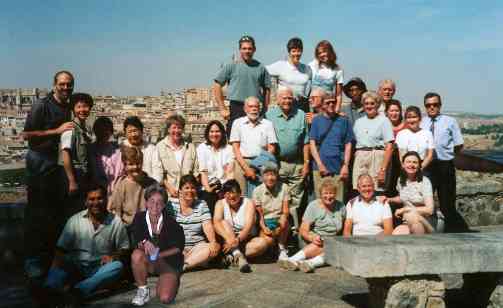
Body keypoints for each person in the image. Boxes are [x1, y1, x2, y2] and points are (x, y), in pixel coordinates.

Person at [21, 70, 74, 284]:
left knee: (55, 214)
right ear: (54, 85)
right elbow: (27, 135)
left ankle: (50, 262)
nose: (65, 88)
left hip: (57, 166)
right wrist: (56, 131)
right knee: (37, 214)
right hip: (40, 164)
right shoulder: (41, 106)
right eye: (62, 84)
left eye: (69, 84)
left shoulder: (69, 107)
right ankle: (33, 263)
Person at [44, 184, 129, 306]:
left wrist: (113, 256)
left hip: (99, 268)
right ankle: (49, 290)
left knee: (117, 266)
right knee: (61, 263)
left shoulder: (115, 221)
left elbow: (124, 248)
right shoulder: (75, 220)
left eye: (99, 198)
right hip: (77, 266)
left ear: (106, 199)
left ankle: (77, 291)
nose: (96, 203)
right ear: (85, 201)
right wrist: (54, 272)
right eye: (91, 199)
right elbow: (61, 249)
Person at [130, 184, 185, 306]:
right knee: (136, 255)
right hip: (148, 262)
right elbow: (135, 236)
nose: (155, 206)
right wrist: (144, 242)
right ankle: (143, 290)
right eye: (151, 201)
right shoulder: (139, 218)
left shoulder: (171, 223)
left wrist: (158, 255)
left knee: (165, 298)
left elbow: (178, 248)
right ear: (146, 203)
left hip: (167, 263)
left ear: (164, 205)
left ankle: (164, 280)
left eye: (159, 202)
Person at [420, 92, 467, 232]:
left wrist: (448, 155)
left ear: (440, 105)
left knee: (447, 203)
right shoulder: (422, 122)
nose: (432, 107)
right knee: (425, 201)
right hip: (427, 166)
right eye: (428, 105)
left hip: (444, 165)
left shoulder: (450, 121)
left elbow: (459, 144)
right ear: (425, 106)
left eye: (435, 104)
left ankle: (455, 233)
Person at [279, 178, 345, 273]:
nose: (328, 196)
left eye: (331, 193)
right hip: (313, 241)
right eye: (325, 193)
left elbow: (342, 228)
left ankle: (308, 263)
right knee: (327, 246)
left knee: (334, 248)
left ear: (336, 194)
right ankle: (294, 259)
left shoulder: (341, 206)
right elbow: (303, 230)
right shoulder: (313, 206)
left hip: (331, 241)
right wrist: (312, 237)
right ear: (320, 194)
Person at [266, 87, 309, 230]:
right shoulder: (269, 115)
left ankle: (294, 230)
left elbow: (306, 141)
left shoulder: (301, 115)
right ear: (277, 100)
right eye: (284, 98)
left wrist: (306, 162)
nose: (287, 101)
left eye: (290, 98)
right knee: (278, 198)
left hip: (297, 164)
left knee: (295, 200)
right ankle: (279, 230)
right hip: (278, 164)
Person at [213, 35, 272, 135]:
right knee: (234, 140)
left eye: (249, 48)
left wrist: (265, 107)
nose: (247, 51)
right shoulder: (231, 66)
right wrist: (222, 108)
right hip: (236, 108)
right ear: (240, 49)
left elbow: (267, 88)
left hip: (254, 109)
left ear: (254, 50)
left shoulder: (261, 68)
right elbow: (217, 85)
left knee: (258, 137)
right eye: (244, 48)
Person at [167, 175, 220, 271]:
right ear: (180, 190)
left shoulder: (201, 204)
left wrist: (213, 242)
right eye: (186, 188)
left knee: (210, 248)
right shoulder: (171, 204)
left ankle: (183, 266)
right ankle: (193, 262)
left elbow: (207, 225)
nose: (190, 191)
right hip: (177, 247)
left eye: (193, 188)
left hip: (196, 247)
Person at [213, 180, 268, 273]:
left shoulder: (249, 203)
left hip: (244, 239)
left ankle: (231, 256)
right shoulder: (220, 203)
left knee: (262, 243)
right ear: (224, 195)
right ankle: (238, 255)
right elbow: (216, 222)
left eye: (233, 192)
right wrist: (230, 240)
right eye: (227, 193)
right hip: (227, 239)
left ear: (240, 193)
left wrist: (237, 240)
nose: (231, 196)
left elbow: (248, 226)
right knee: (224, 223)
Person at [309, 94, 354, 201]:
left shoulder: (344, 121)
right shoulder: (316, 121)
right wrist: (320, 164)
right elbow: (312, 143)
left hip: (339, 167)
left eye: (333, 102)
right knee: (321, 202)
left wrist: (346, 165)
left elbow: (348, 144)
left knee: (338, 201)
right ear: (322, 105)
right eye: (328, 102)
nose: (331, 104)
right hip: (320, 168)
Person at [230, 96, 277, 194]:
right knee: (241, 194)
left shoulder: (268, 124)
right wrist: (247, 168)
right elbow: (235, 148)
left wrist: (255, 166)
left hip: (262, 162)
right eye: (251, 106)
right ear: (245, 109)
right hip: (242, 162)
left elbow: (272, 148)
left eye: (256, 106)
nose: (254, 109)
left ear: (260, 108)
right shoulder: (237, 123)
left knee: (261, 195)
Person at [387, 152, 442, 235]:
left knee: (415, 225)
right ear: (403, 165)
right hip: (408, 220)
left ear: (419, 165)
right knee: (396, 233)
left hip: (426, 220)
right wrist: (389, 199)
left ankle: (425, 242)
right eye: (408, 162)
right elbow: (402, 198)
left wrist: (405, 209)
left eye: (415, 162)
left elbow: (429, 210)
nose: (411, 165)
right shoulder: (401, 180)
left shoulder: (425, 182)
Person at [352, 91, 394, 194]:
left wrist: (383, 169)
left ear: (377, 104)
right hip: (361, 159)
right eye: (366, 104)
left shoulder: (384, 121)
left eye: (372, 103)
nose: (369, 106)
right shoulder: (358, 122)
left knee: (376, 191)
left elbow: (389, 146)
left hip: (377, 158)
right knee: (360, 190)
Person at [60, 93, 95, 216]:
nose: (82, 110)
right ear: (73, 109)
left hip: (82, 176)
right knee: (73, 213)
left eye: (85, 106)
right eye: (79, 107)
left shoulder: (84, 129)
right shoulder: (70, 129)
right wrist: (72, 181)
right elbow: (65, 154)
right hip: (74, 176)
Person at [108, 146, 157, 225]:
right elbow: (116, 212)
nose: (135, 167)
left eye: (138, 163)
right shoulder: (121, 184)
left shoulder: (151, 184)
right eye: (131, 164)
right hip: (128, 227)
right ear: (125, 165)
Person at [252, 162, 290, 262]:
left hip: (279, 220)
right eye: (267, 175)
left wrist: (281, 225)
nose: (270, 178)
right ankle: (272, 248)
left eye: (273, 174)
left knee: (285, 221)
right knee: (268, 241)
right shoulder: (257, 191)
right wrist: (264, 228)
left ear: (277, 175)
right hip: (266, 221)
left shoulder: (284, 187)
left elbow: (285, 211)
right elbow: (259, 215)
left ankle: (281, 247)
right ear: (262, 177)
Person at [156, 114, 199, 199]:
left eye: (179, 128)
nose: (177, 131)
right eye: (174, 127)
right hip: (169, 194)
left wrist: (189, 189)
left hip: (189, 195)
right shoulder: (160, 147)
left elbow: (196, 171)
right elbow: (159, 173)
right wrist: (170, 188)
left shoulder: (190, 147)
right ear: (168, 129)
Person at [197, 120, 234, 213]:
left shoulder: (228, 148)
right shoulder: (202, 148)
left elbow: (229, 172)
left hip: (224, 185)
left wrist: (225, 189)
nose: (214, 134)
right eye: (212, 131)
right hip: (208, 185)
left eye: (217, 131)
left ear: (222, 133)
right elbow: (203, 172)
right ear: (208, 133)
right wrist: (208, 189)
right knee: (209, 199)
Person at [266, 37, 312, 112]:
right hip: (285, 104)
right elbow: (262, 70)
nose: (296, 54)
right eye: (293, 51)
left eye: (299, 51)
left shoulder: (307, 69)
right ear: (289, 52)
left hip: (302, 105)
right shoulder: (280, 65)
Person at [89, 117, 123, 198]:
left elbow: (119, 173)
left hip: (113, 192)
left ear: (110, 132)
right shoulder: (90, 150)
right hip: (95, 192)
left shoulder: (117, 152)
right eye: (101, 131)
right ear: (96, 132)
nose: (104, 133)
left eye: (106, 131)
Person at [122, 116, 163, 183]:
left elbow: (158, 173)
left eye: (135, 130)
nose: (133, 135)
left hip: (148, 187)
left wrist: (151, 187)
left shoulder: (152, 149)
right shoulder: (121, 148)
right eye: (130, 132)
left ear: (141, 131)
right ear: (125, 133)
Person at [309, 40, 344, 113]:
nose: (322, 54)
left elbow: (339, 95)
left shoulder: (337, 69)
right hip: (313, 107)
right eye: (319, 53)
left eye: (324, 51)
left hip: (328, 108)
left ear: (330, 51)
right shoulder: (312, 65)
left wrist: (337, 110)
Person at [384, 100, 406, 196]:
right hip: (385, 162)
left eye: (397, 111)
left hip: (401, 163)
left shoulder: (407, 126)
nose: (394, 113)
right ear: (386, 112)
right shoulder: (382, 125)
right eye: (391, 111)